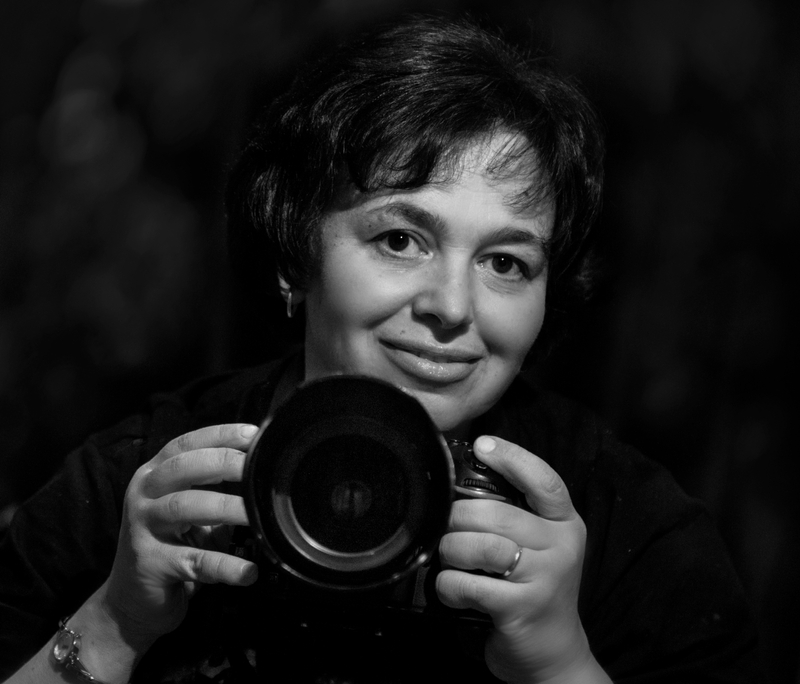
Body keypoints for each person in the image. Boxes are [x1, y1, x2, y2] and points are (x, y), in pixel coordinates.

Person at [0, 14, 762, 684]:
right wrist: (115, 622)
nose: (452, 308)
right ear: (295, 255)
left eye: (506, 263)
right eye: (400, 240)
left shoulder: (630, 534)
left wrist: (559, 664)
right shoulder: (147, 487)